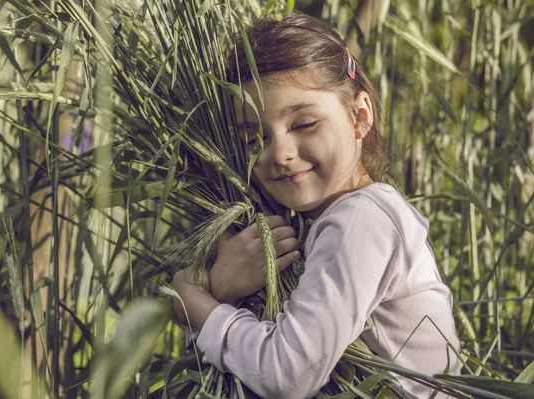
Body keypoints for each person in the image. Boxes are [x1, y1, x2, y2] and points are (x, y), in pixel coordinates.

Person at [172, 11, 461, 399]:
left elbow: (288, 374)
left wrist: (201, 310)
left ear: (360, 117)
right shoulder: (322, 221)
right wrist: (224, 288)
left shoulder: (362, 219)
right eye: (252, 139)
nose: (280, 154)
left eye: (304, 124)